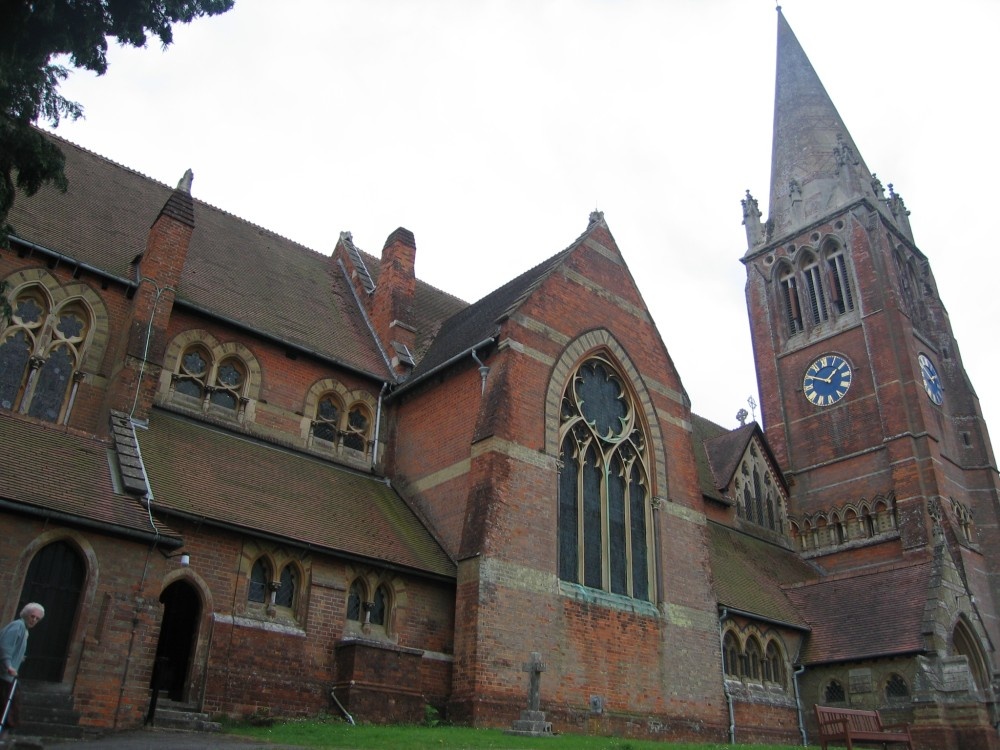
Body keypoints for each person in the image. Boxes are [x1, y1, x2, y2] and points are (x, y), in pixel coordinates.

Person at [0, 603, 45, 734]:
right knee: (9, 709)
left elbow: (14, 649)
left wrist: (19, 657)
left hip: (8, 677)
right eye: (32, 616)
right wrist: (8, 666)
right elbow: (4, 647)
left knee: (10, 710)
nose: (34, 620)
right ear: (26, 614)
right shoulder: (17, 626)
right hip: (4, 676)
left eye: (37, 619)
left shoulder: (24, 630)